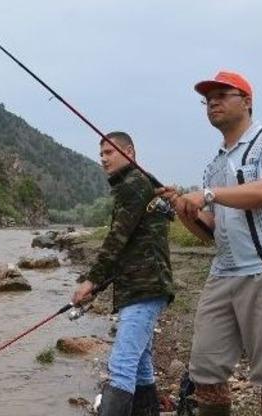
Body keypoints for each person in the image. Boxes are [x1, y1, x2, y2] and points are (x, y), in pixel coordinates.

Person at [156, 71, 262, 416]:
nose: (213, 103)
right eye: (208, 99)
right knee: (204, 369)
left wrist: (207, 194)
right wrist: (183, 208)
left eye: (222, 95)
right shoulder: (215, 164)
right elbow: (210, 231)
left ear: (247, 101)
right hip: (224, 272)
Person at [72, 131, 176, 416]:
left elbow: (117, 239)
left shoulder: (133, 184)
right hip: (140, 286)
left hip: (145, 287)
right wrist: (99, 285)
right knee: (141, 366)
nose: (103, 159)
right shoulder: (138, 183)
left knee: (121, 367)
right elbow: (128, 244)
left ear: (129, 152)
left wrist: (91, 281)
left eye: (109, 152)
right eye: (101, 154)